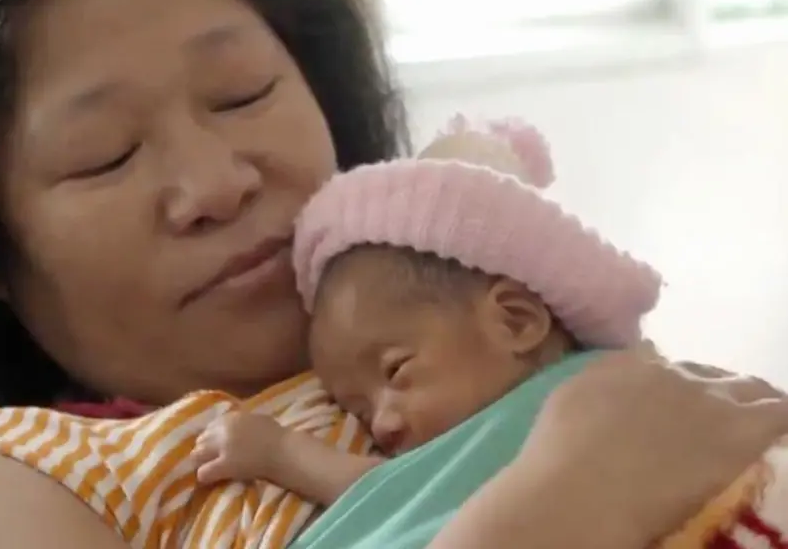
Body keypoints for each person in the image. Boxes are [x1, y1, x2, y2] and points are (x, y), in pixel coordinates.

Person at [0, 0, 788, 547]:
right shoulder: (3, 475)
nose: (217, 183)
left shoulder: (485, 301)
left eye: (243, 93)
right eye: (105, 155)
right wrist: (572, 498)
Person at [191, 116, 788, 548]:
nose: (383, 423)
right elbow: (393, 493)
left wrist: (280, 452)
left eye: (396, 371)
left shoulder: (597, 392)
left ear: (515, 320)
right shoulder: (463, 446)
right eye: (360, 411)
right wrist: (276, 452)